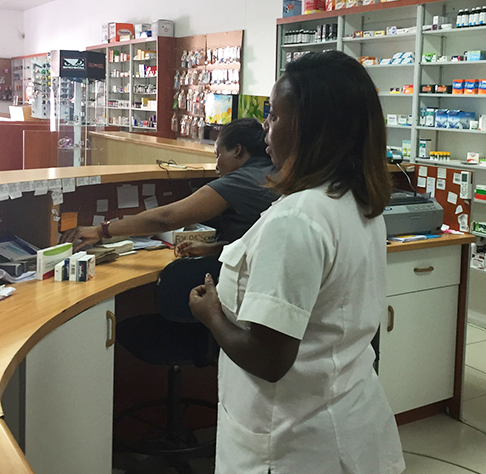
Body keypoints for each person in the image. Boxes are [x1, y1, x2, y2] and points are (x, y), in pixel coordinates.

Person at [189, 50, 406, 473]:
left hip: (292, 442)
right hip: (345, 415)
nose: (265, 128)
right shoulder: (355, 201)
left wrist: (211, 314)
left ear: (309, 127)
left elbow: (270, 361)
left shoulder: (298, 218)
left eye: (274, 114)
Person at [60, 118, 278, 257]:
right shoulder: (271, 171)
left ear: (237, 151)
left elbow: (167, 218)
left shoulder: (240, 181)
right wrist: (214, 248)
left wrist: (100, 230)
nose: (216, 165)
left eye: (218, 155)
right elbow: (256, 240)